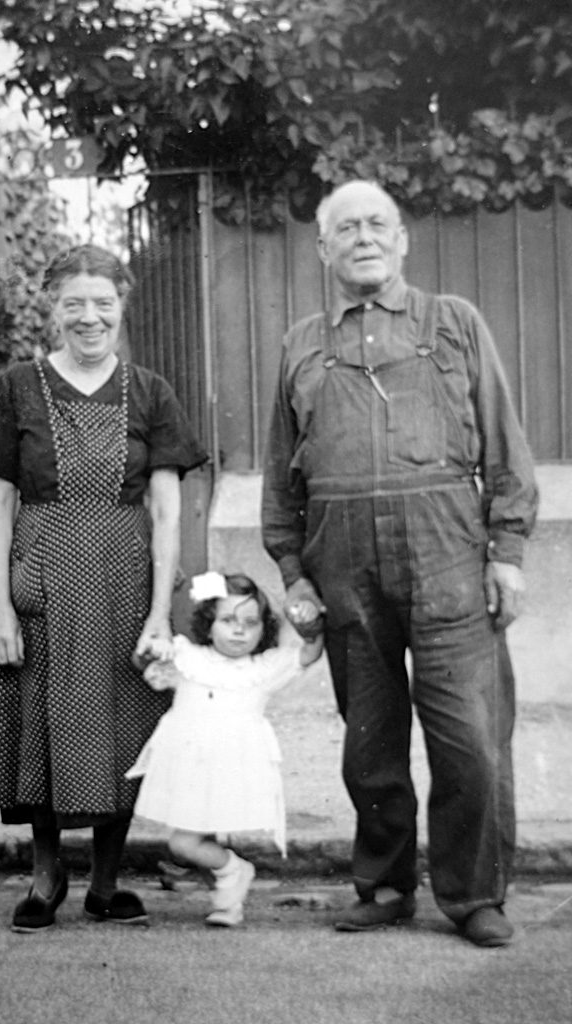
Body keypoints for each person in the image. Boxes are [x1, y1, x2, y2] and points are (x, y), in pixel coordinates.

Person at [261, 180, 538, 947]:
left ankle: (474, 894)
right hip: (344, 567)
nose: (364, 238)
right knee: (371, 744)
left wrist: (507, 554)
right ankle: (384, 886)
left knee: (471, 743)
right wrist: (293, 573)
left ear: (404, 237)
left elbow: (507, 449)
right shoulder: (301, 344)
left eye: (377, 223)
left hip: (448, 554)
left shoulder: (455, 324)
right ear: (323, 249)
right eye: (345, 228)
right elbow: (283, 475)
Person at [0, 243, 207, 932]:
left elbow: (165, 511)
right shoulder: (17, 388)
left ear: (122, 308)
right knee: (41, 723)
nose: (90, 318)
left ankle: (106, 881)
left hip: (125, 584)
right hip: (42, 578)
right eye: (75, 304)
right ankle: (46, 877)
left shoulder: (152, 392)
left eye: (104, 303)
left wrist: (160, 612)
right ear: (53, 309)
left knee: (124, 726)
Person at [125, 571, 322, 927]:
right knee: (187, 840)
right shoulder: (189, 657)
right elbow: (145, 664)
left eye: (250, 623)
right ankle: (229, 891)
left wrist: (308, 622)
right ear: (208, 622)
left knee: (185, 844)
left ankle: (232, 874)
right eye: (228, 620)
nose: (238, 631)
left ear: (264, 629)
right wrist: (158, 646)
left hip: (231, 767)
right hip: (190, 765)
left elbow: (307, 653)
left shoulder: (262, 668)